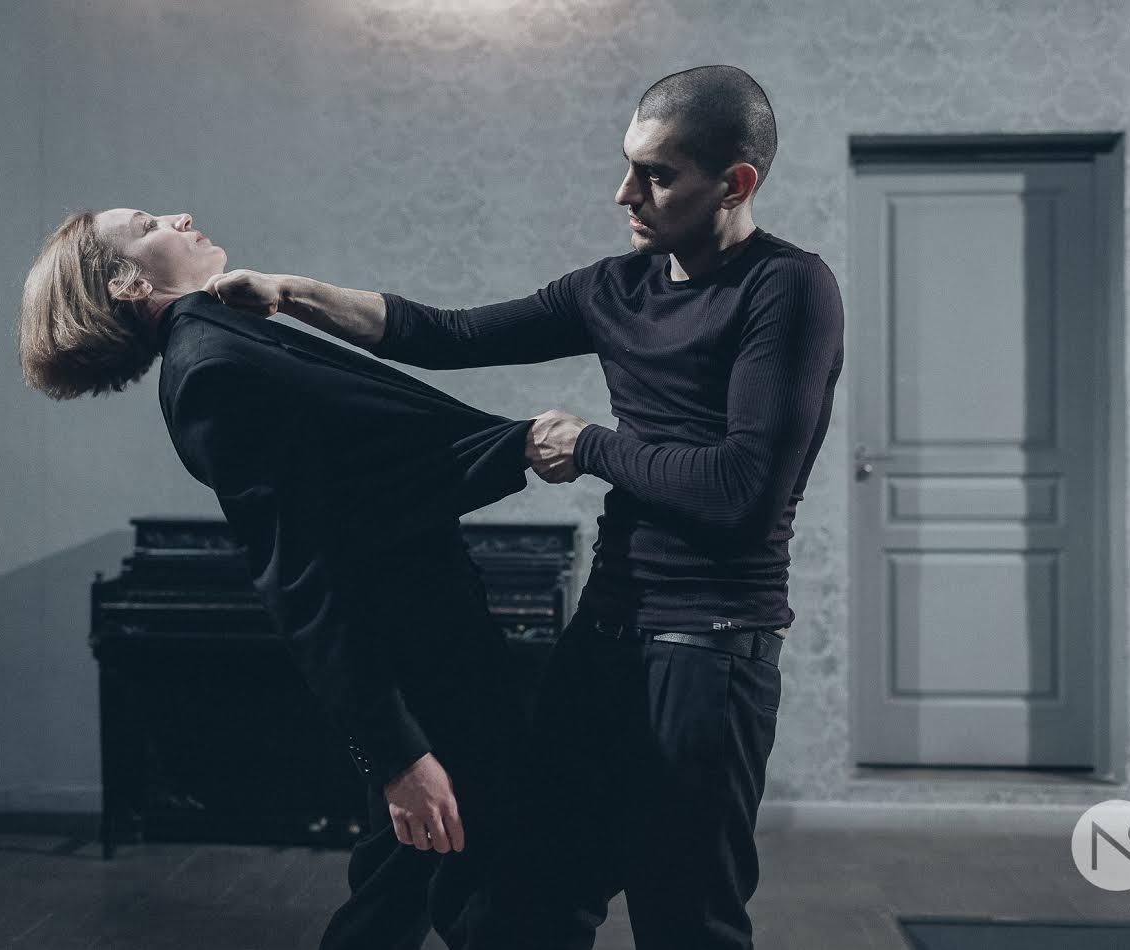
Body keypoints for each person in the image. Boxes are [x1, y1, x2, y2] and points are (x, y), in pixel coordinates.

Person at [201, 65, 846, 949]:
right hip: (603, 637)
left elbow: (740, 489)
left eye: (657, 175)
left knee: (684, 920)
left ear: (734, 183)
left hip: (709, 652)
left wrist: (588, 447)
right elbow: (447, 334)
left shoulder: (787, 286)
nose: (625, 193)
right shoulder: (616, 288)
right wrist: (292, 293)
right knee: (526, 904)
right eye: (628, 166)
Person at [17, 208, 536, 950]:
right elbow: (301, 576)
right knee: (471, 883)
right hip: (419, 660)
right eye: (148, 223)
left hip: (438, 636)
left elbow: (377, 463)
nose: (180, 215)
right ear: (127, 283)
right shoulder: (211, 370)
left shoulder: (225, 334)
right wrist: (397, 755)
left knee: (432, 880)